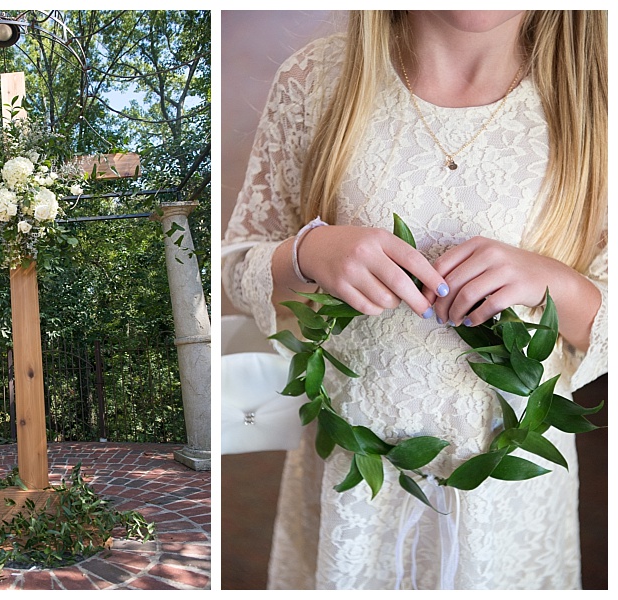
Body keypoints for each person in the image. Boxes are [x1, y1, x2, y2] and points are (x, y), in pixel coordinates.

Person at [222, 11, 606, 589]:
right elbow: (234, 265)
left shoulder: (598, 100)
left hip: (509, 506)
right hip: (354, 480)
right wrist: (307, 254)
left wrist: (559, 285)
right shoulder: (316, 80)